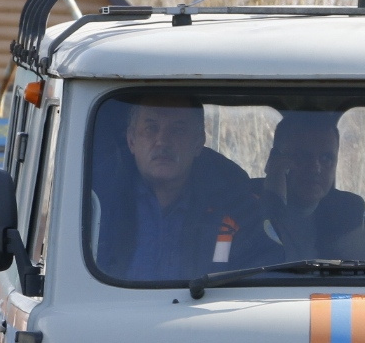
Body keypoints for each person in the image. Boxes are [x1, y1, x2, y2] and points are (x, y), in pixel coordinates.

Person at [93, 97, 276, 281]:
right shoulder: (95, 204)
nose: (162, 141)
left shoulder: (236, 209)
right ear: (131, 140)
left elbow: (263, 280)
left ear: (198, 142)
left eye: (178, 130)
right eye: (151, 128)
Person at [255, 112, 365, 259]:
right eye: (302, 157)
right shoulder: (245, 207)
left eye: (326, 158)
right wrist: (273, 200)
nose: (315, 168)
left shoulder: (351, 211)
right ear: (273, 159)